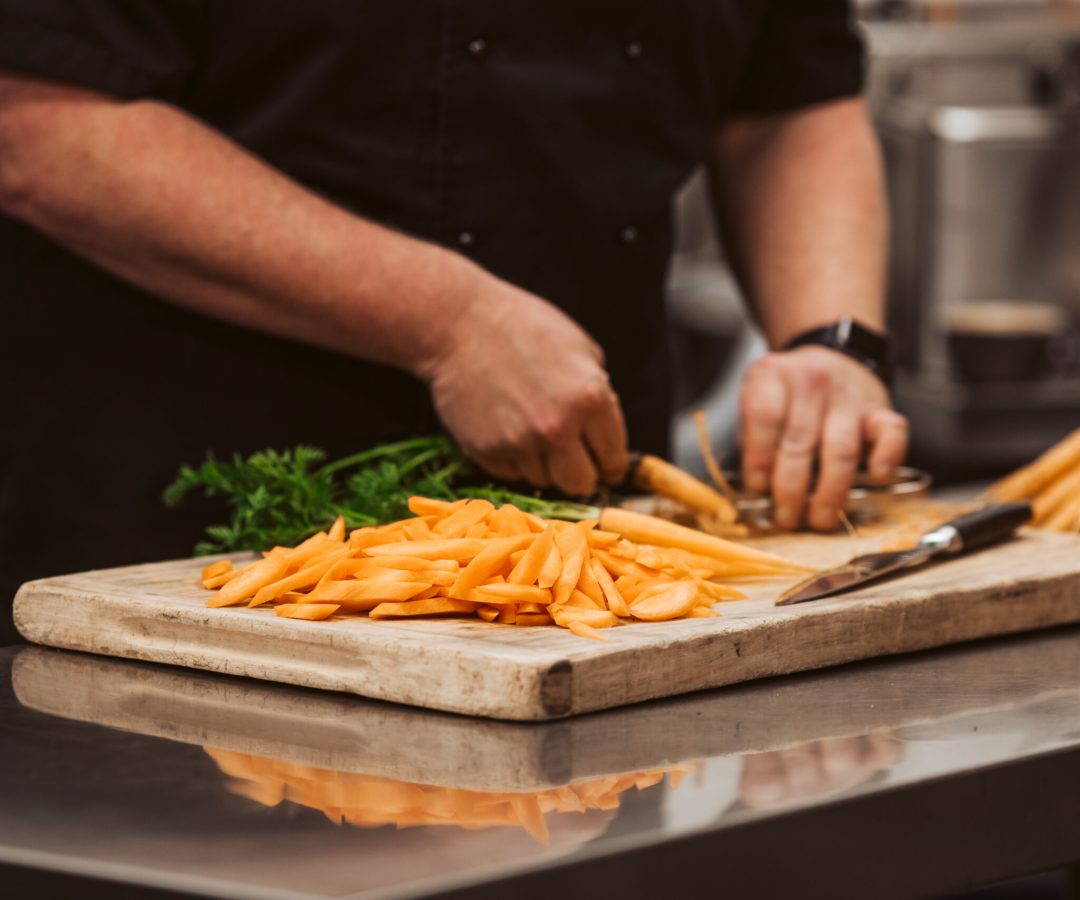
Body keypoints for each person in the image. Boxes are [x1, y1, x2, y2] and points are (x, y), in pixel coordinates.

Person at [0, 1, 908, 645]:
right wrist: (446, 322)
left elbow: (788, 99)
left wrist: (832, 341)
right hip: (187, 555)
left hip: (582, 565)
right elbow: (42, 123)